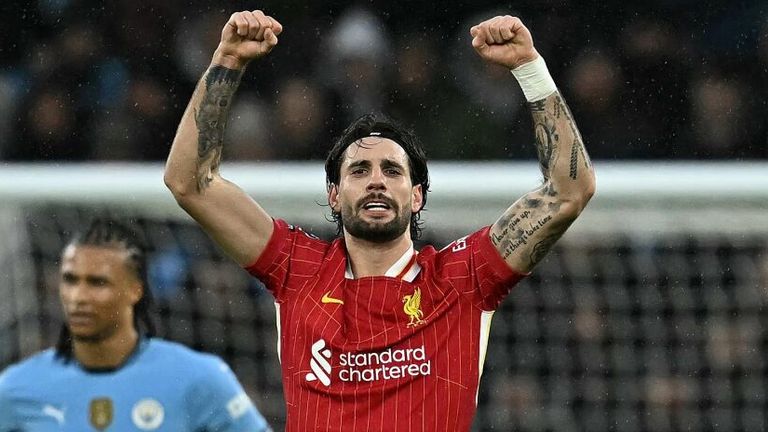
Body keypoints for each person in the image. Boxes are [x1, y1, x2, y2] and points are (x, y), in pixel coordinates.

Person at [164, 9, 595, 432]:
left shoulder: (462, 280)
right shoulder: (298, 269)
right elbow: (189, 182)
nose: (376, 182)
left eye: (392, 171)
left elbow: (568, 191)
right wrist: (227, 62)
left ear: (417, 196)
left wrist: (528, 68)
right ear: (334, 195)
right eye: (358, 171)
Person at [0, 219, 271, 431]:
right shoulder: (17, 387)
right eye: (70, 280)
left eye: (98, 282)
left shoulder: (198, 377)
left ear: (134, 291)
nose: (78, 297)